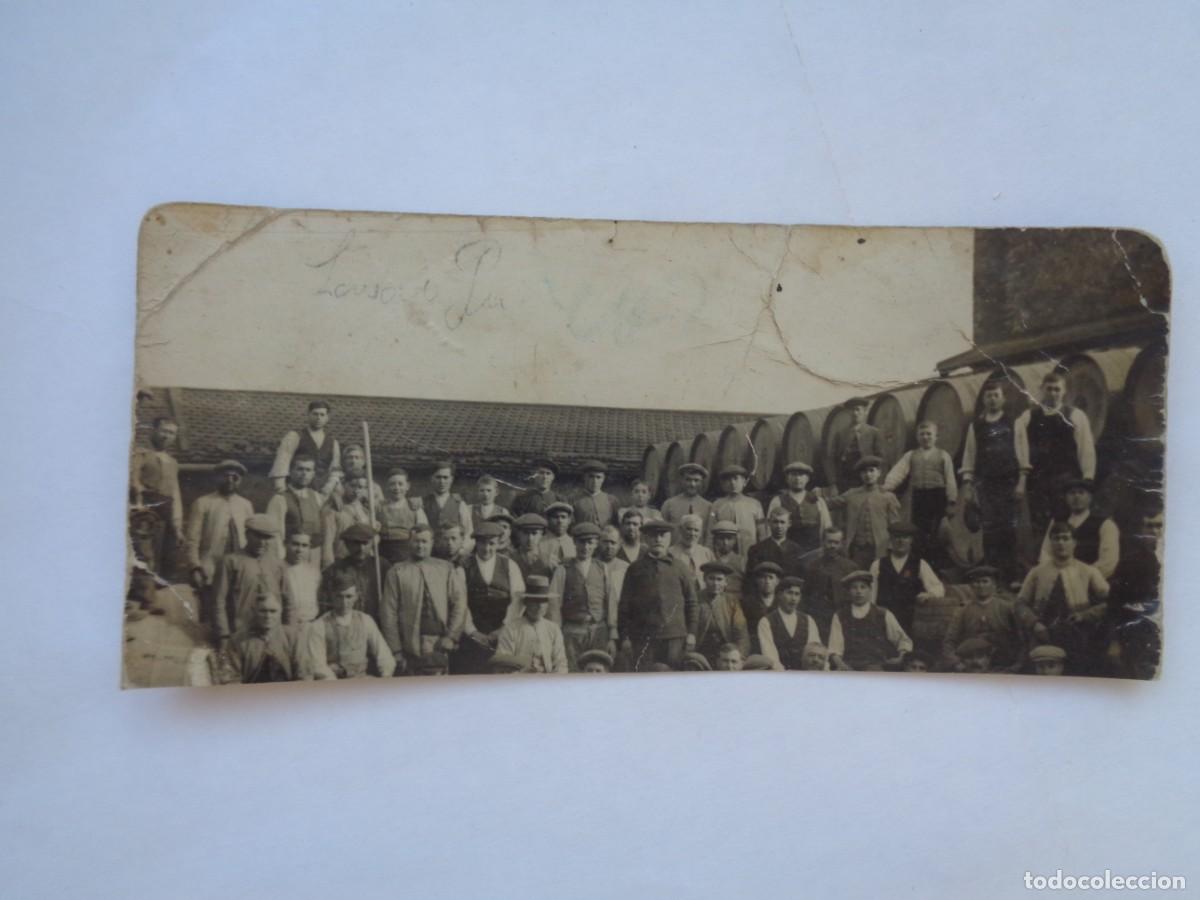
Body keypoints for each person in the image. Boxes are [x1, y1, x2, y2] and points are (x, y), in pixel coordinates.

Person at [1017, 521, 1110, 675]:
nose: (1061, 543)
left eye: (1066, 538)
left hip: (1078, 637)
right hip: (1043, 636)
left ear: (1074, 542)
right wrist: (1034, 623)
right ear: (1051, 542)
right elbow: (1020, 603)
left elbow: (1110, 602)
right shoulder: (1037, 572)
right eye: (1056, 538)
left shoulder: (1088, 571)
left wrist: (1085, 615)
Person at [1015, 369, 1098, 537]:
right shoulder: (1028, 416)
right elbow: (1019, 443)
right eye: (1049, 389)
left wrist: (1087, 478)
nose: (1053, 393)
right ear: (1042, 389)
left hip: (1066, 480)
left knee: (1065, 525)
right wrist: (1023, 475)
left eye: (1057, 389)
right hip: (1038, 482)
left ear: (1064, 391)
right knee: (1039, 526)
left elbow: (1086, 448)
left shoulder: (1075, 415)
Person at [379, 524, 469, 671]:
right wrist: (396, 650)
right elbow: (388, 613)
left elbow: (459, 604)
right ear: (409, 542)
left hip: (441, 642)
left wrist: (451, 636)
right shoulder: (397, 571)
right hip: (410, 644)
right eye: (416, 541)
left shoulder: (446, 568)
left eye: (424, 541)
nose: (420, 546)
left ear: (432, 542)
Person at [960, 375, 1021, 581]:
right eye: (989, 396)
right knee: (989, 529)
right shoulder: (976, 426)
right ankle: (991, 575)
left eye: (996, 395)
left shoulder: (1013, 423)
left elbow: (1022, 453)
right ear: (983, 400)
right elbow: (970, 455)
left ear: (1003, 399)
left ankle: (1011, 576)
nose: (992, 399)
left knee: (1010, 529)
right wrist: (968, 485)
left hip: (1009, 483)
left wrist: (1021, 480)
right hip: (986, 485)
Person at [617, 519, 698, 671]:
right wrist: (625, 637)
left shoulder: (680, 567)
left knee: (673, 679)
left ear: (669, 539)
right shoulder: (635, 569)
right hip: (643, 638)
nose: (658, 539)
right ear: (646, 539)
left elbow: (692, 602)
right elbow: (624, 605)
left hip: (675, 636)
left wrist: (692, 633)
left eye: (663, 535)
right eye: (653, 536)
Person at [185, 460, 254, 622]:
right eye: (225, 476)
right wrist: (195, 566)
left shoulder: (246, 505)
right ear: (217, 478)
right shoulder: (203, 503)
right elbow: (192, 539)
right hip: (211, 566)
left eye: (234, 477)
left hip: (238, 565)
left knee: (237, 610)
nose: (230, 480)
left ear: (240, 480)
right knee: (211, 611)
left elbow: (252, 537)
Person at [941, 565, 1043, 673]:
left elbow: (1023, 641)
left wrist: (1016, 667)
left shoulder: (1008, 608)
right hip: (972, 668)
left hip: (1004, 666)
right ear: (971, 586)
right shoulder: (963, 611)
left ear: (994, 585)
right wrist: (957, 664)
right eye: (976, 582)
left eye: (985, 581)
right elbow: (949, 641)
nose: (980, 585)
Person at [211, 514, 294, 644]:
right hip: (240, 635)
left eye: (267, 537)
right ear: (247, 534)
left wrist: (289, 632)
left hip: (272, 634)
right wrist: (223, 635)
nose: (262, 542)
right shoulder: (230, 561)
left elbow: (289, 601)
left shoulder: (278, 565)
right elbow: (218, 601)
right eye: (257, 536)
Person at [457, 521, 526, 674]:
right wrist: (472, 632)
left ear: (499, 543)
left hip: (503, 634)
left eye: (492, 544)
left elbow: (518, 601)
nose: (487, 549)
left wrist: (503, 629)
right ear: (476, 543)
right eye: (482, 543)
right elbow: (459, 603)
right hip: (472, 635)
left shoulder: (510, 565)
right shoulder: (464, 567)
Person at [549, 522, 620, 671]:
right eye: (581, 542)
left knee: (598, 670)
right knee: (573, 671)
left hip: (599, 631)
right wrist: (557, 635)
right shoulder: (563, 569)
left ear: (596, 545)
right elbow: (554, 605)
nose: (585, 547)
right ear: (574, 542)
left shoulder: (603, 568)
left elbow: (611, 603)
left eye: (590, 543)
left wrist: (612, 636)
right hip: (572, 632)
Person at [1105, 502, 1164, 680]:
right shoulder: (1129, 563)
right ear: (1141, 529)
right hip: (1136, 637)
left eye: (1159, 526)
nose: (1154, 531)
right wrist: (1114, 641)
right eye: (1149, 526)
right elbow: (1114, 604)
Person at [305, 571, 398, 679]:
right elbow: (318, 665)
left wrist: (386, 675)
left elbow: (384, 656)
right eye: (339, 597)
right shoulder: (319, 625)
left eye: (349, 597)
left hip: (363, 681)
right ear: (331, 596)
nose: (344, 603)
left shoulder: (365, 620)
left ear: (356, 596)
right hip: (335, 685)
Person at [882, 420, 958, 552]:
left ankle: (937, 563)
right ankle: (921, 559)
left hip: (938, 497)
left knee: (938, 531)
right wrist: (887, 486)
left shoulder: (943, 455)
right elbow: (898, 472)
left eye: (929, 434)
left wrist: (951, 500)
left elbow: (950, 479)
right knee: (919, 530)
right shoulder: (911, 455)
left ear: (936, 437)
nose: (925, 437)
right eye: (922, 434)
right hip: (919, 497)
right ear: (917, 437)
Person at [868, 522, 945, 637]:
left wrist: (929, 594)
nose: (900, 541)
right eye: (897, 537)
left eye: (905, 537)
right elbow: (870, 595)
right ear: (891, 540)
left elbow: (938, 588)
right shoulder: (877, 564)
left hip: (909, 620)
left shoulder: (920, 564)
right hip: (884, 619)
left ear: (911, 541)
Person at [824, 456, 901, 568]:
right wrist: (816, 495)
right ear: (860, 475)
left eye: (871, 470)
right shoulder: (851, 494)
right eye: (864, 471)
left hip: (881, 548)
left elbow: (895, 525)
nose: (868, 475)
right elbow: (829, 504)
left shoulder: (887, 496)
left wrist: (891, 546)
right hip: (858, 549)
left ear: (879, 473)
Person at [129, 416, 184, 575]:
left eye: (172, 433)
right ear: (154, 430)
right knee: (145, 552)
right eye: (163, 431)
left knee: (168, 553)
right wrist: (139, 504)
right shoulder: (140, 454)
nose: (167, 436)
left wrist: (177, 526)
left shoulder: (173, 462)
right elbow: (134, 481)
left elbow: (175, 493)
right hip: (145, 509)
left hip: (166, 509)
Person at [828, 570, 912, 671]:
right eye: (854, 587)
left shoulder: (882, 614)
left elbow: (904, 640)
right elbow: (835, 649)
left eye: (863, 587)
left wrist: (901, 657)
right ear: (849, 592)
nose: (859, 591)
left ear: (870, 590)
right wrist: (842, 665)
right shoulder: (840, 616)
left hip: (876, 667)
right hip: (848, 667)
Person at [218, 588, 304, 684]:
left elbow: (303, 674)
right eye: (263, 611)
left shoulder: (292, 637)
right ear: (254, 611)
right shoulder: (237, 640)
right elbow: (231, 679)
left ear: (280, 611)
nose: (268, 616)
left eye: (273, 611)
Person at [1038, 479, 1119, 579]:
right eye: (1072, 493)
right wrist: (1054, 576)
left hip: (1090, 582)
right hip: (1056, 580)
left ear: (1090, 497)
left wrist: (1080, 579)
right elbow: (1046, 552)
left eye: (1081, 492)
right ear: (1066, 498)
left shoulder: (1105, 524)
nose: (1076, 496)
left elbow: (1108, 562)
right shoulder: (1057, 521)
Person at [268, 399, 341, 498]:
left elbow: (335, 469)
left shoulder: (333, 442)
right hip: (296, 492)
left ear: (327, 417)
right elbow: (282, 463)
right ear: (308, 415)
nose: (318, 418)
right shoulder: (294, 436)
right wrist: (281, 489)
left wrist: (328, 489)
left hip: (321, 493)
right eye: (315, 414)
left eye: (322, 415)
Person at [495, 575, 569, 673]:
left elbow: (561, 663)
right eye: (534, 601)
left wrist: (553, 682)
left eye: (543, 601)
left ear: (547, 604)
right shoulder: (511, 629)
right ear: (526, 603)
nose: (539, 607)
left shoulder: (553, 629)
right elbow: (504, 664)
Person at [801, 528, 858, 643]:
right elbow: (806, 595)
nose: (832, 546)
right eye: (829, 542)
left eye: (836, 543)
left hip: (843, 616)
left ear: (841, 544)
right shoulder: (812, 567)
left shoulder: (850, 567)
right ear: (823, 542)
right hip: (819, 616)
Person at [766, 461, 831, 560]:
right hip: (786, 552)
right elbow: (770, 528)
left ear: (807, 479)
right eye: (793, 475)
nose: (797, 478)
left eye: (801, 475)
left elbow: (826, 526)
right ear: (787, 479)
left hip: (813, 551)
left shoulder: (818, 501)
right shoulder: (778, 500)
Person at [265, 454, 324, 562]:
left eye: (308, 470)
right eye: (300, 469)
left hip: (313, 556)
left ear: (313, 474)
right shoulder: (280, 499)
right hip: (289, 556)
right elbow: (275, 535)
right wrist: (280, 560)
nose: (304, 473)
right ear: (290, 472)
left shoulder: (317, 497)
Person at [757, 576, 822, 672]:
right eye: (789, 593)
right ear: (779, 595)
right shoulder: (766, 622)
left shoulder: (808, 620)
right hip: (779, 676)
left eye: (797, 594)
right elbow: (770, 656)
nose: (793, 598)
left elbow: (815, 651)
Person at [318, 523, 381, 620]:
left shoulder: (380, 566)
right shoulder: (334, 570)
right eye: (356, 543)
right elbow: (325, 603)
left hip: (375, 623)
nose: (361, 548)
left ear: (372, 543)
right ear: (347, 544)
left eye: (365, 543)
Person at [693, 561, 752, 666]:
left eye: (719, 579)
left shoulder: (732, 601)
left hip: (726, 654)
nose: (715, 583)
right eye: (711, 578)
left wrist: (739, 656)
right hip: (701, 652)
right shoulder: (695, 600)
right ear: (704, 579)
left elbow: (741, 632)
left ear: (726, 582)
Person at [321, 472, 377, 568]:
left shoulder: (365, 510)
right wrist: (329, 566)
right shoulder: (334, 509)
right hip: (340, 560)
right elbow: (327, 542)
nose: (356, 490)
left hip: (362, 561)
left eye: (360, 487)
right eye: (352, 486)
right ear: (344, 484)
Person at [707, 465, 765, 555]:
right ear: (723, 484)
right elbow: (710, 533)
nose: (732, 483)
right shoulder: (717, 505)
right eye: (728, 480)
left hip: (749, 552)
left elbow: (762, 533)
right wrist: (709, 553)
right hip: (723, 554)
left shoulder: (755, 504)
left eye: (736, 479)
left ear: (744, 482)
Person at [830, 397, 884, 493]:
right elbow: (833, 459)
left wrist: (879, 482)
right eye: (852, 410)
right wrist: (834, 483)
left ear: (865, 411)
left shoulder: (874, 433)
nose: (855, 413)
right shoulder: (841, 434)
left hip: (867, 480)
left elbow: (881, 459)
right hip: (846, 482)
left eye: (858, 409)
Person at [377, 467, 427, 566]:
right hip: (384, 553)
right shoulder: (379, 507)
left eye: (400, 484)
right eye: (392, 484)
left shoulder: (414, 506)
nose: (397, 488)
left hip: (407, 553)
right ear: (386, 486)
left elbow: (423, 533)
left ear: (407, 486)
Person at [423, 460, 474, 555]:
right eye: (438, 477)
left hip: (454, 555)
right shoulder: (424, 503)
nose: (442, 481)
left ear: (451, 479)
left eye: (445, 477)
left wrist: (462, 550)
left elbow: (469, 532)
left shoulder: (459, 504)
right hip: (430, 555)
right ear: (431, 479)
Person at [746, 508, 805, 580]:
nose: (779, 526)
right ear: (769, 523)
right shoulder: (756, 549)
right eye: (775, 522)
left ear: (789, 524)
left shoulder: (797, 550)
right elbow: (751, 578)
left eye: (782, 522)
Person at [660, 463, 712, 536]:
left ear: (702, 483)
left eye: (696, 480)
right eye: (688, 480)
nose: (692, 484)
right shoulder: (669, 504)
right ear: (681, 481)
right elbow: (662, 531)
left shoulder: (708, 506)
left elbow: (709, 534)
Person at [742, 561, 782, 648]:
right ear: (757, 580)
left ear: (777, 581)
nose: (767, 581)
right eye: (763, 577)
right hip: (756, 646)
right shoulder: (747, 603)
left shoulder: (782, 603)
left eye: (771, 577)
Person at [282, 532, 320, 624]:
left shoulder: (314, 572)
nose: (299, 549)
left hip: (310, 624)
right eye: (295, 544)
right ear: (285, 544)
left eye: (304, 545)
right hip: (285, 625)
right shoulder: (277, 570)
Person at [669, 514, 714, 589]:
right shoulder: (670, 552)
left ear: (700, 533)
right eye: (689, 529)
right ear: (681, 530)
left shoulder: (707, 553)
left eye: (696, 530)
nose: (692, 534)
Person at [572, 460, 621, 527]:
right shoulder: (574, 499)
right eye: (591, 476)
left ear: (603, 479)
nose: (594, 481)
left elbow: (617, 524)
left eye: (598, 477)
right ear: (584, 477)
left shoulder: (612, 500)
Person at [709, 520, 747, 598]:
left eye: (729, 539)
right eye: (721, 538)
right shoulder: (709, 558)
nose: (725, 542)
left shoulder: (742, 561)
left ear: (735, 541)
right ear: (715, 539)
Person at [511, 513, 554, 580]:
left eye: (534, 533)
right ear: (518, 534)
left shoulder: (549, 561)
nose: (530, 538)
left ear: (541, 535)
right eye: (525, 533)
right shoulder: (510, 559)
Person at [597, 525, 629, 603]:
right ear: (598, 543)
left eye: (613, 543)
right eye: (605, 542)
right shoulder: (591, 565)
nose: (609, 546)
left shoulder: (626, 568)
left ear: (619, 545)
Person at [540, 502, 577, 567]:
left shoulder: (575, 544)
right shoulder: (539, 543)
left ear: (569, 521)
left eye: (563, 517)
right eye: (555, 517)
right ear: (548, 520)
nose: (560, 521)